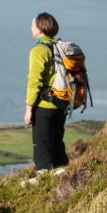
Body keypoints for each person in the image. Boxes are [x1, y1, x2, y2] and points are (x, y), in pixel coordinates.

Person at [24, 11, 69, 170]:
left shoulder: (39, 50)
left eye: (32, 24)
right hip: (62, 105)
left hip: (44, 106)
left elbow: (34, 82)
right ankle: (65, 178)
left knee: (42, 149)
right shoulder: (60, 47)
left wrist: (29, 109)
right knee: (57, 145)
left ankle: (44, 185)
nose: (30, 27)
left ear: (40, 29)